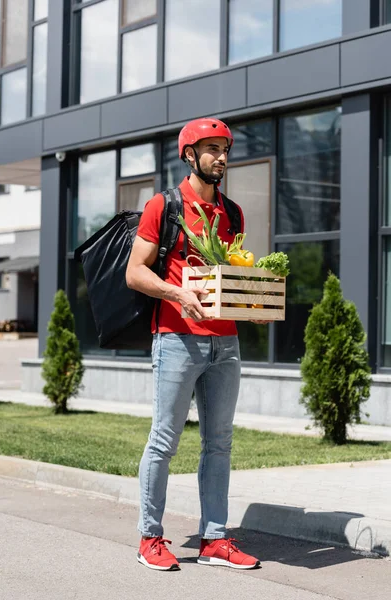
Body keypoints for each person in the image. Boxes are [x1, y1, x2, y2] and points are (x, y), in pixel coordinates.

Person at [126, 117, 270, 572]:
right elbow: (135, 272)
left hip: (225, 343)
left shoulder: (233, 212)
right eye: (211, 149)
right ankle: (150, 537)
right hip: (176, 341)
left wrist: (255, 295)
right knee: (165, 440)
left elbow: (232, 273)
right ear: (189, 154)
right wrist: (176, 293)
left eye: (224, 149)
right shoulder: (163, 207)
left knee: (220, 443)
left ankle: (213, 539)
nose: (221, 157)